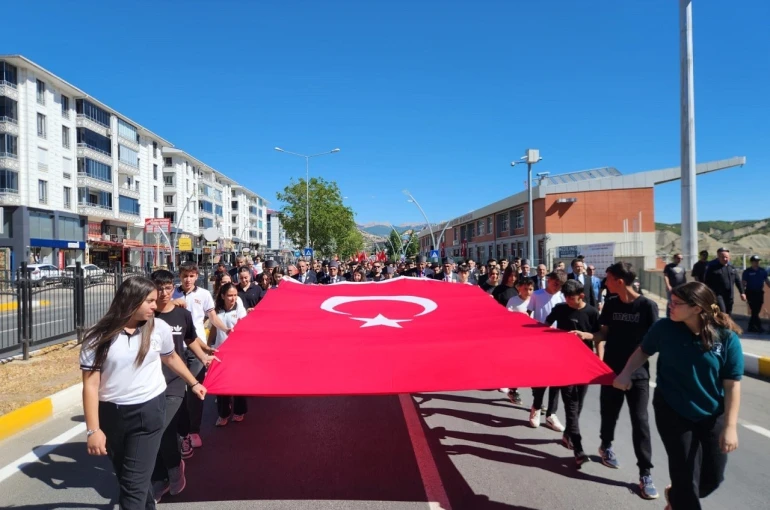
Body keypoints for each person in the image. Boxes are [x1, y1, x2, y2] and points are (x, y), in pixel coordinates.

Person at [613, 282, 743, 510]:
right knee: (685, 479)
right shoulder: (664, 328)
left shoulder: (725, 338)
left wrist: (730, 427)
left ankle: (676, 497)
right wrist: (625, 373)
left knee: (713, 478)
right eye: (670, 301)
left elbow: (732, 384)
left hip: (711, 413)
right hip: (672, 410)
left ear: (697, 308)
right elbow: (643, 351)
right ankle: (681, 498)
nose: (669, 306)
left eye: (676, 303)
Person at [80, 276, 206, 510]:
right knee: (127, 477)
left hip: (149, 411)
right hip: (112, 415)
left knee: (133, 486)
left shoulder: (159, 328)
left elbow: (170, 357)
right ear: (131, 301)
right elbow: (90, 385)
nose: (154, 305)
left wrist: (193, 383)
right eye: (149, 301)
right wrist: (93, 430)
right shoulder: (98, 338)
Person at [582, 261, 659, 500]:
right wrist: (586, 335)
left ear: (620, 281)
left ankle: (645, 473)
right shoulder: (612, 304)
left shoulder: (648, 306)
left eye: (608, 278)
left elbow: (654, 342)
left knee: (640, 421)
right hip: (611, 371)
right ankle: (605, 446)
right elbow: (604, 333)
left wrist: (630, 370)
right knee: (609, 412)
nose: (605, 282)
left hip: (637, 374)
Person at [149, 270, 218, 502]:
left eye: (169, 288)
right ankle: (161, 475)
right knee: (153, 433)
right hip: (149, 384)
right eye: (160, 288)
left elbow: (190, 340)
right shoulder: (145, 316)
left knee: (164, 429)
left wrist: (204, 358)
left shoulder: (182, 315)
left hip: (174, 382)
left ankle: (172, 469)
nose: (165, 293)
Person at [171, 262, 231, 451]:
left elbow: (212, 317)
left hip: (197, 349)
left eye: (191, 276)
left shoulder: (204, 295)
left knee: (196, 390)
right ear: (180, 276)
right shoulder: (172, 293)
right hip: (175, 349)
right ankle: (179, 431)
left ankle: (194, 430)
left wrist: (226, 329)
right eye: (184, 276)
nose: (188, 279)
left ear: (196, 276)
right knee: (177, 392)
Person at [545, 279, 600, 467]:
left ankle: (569, 434)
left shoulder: (592, 312)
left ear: (581, 296)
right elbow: (546, 325)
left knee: (579, 403)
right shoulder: (560, 308)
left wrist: (599, 359)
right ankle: (578, 448)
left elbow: (599, 336)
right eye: (565, 298)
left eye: (572, 299)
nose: (568, 301)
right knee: (571, 404)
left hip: (584, 365)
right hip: (563, 363)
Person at [527, 270, 567, 431]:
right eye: (555, 283)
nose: (557, 287)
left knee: (557, 379)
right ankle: (536, 408)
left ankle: (551, 413)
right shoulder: (537, 295)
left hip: (558, 341)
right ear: (549, 280)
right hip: (540, 340)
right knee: (540, 378)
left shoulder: (562, 297)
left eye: (561, 285)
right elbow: (528, 314)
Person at [208, 282, 248, 426]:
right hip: (221, 350)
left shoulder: (240, 309)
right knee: (221, 383)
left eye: (235, 295)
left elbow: (244, 326)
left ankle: (239, 411)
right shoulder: (216, 310)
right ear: (223, 296)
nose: (233, 298)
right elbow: (213, 327)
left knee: (238, 382)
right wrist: (208, 344)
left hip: (238, 352)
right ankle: (223, 413)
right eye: (230, 295)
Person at [742, 255, 770, 333]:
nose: (757, 262)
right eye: (755, 261)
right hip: (750, 293)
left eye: (758, 261)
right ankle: (758, 326)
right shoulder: (747, 271)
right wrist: (743, 292)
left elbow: (767, 281)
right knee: (754, 310)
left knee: (756, 310)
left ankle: (751, 326)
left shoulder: (762, 271)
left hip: (759, 292)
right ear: (751, 262)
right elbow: (744, 283)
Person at [664, 253, 687, 317]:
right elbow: (666, 276)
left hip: (680, 288)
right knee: (671, 301)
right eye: (678, 258)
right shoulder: (668, 266)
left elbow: (684, 276)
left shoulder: (682, 267)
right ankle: (669, 315)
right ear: (674, 258)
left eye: (681, 258)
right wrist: (668, 285)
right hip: (672, 287)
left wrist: (685, 286)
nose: (680, 260)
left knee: (680, 301)